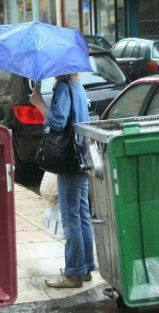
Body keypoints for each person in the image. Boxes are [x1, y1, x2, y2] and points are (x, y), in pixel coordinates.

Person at [29, 73, 95, 288]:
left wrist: (39, 104)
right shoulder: (77, 85)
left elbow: (58, 121)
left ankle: (73, 274)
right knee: (82, 215)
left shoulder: (63, 87)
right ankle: (84, 267)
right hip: (82, 156)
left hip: (68, 160)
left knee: (71, 217)